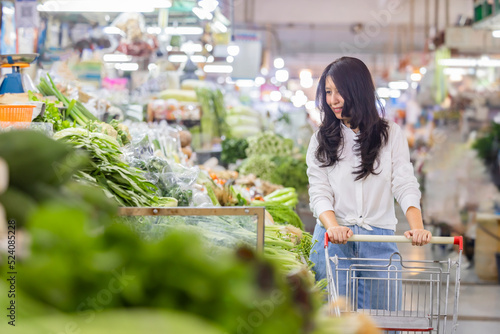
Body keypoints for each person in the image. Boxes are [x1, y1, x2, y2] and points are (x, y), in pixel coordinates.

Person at [307, 57, 432, 311]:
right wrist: (333, 227)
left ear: (359, 89)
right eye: (328, 92)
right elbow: (319, 191)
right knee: (333, 323)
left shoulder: (390, 134)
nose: (333, 100)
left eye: (340, 91)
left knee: (381, 322)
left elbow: (404, 183)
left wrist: (417, 227)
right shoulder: (321, 139)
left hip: (378, 243)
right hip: (334, 244)